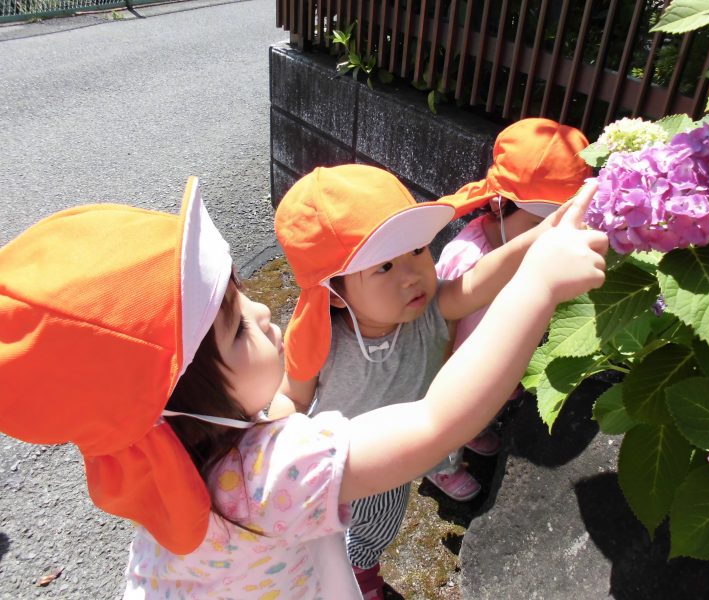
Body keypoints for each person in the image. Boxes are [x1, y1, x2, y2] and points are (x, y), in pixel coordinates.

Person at [0, 176, 605, 599]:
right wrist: (540, 287)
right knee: (365, 535)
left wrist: (540, 237)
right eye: (237, 327)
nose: (267, 311)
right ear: (180, 401)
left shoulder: (166, 452)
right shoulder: (270, 473)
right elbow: (435, 423)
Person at [268, 160, 589, 598]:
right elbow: (292, 396)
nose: (413, 275)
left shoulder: (432, 308)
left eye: (417, 251)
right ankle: (343, 575)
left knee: (378, 526)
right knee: (320, 538)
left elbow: (479, 280)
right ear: (335, 294)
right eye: (384, 267)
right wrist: (269, 449)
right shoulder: (324, 341)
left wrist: (545, 232)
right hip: (333, 462)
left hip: (398, 460)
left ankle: (360, 567)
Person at [426, 118, 592, 498]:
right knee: (450, 416)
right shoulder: (466, 258)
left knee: (484, 407)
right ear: (500, 205)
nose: (546, 238)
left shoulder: (532, 256)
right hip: (456, 366)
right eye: (537, 224)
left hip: (499, 363)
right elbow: (441, 325)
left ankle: (474, 430)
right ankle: (441, 463)